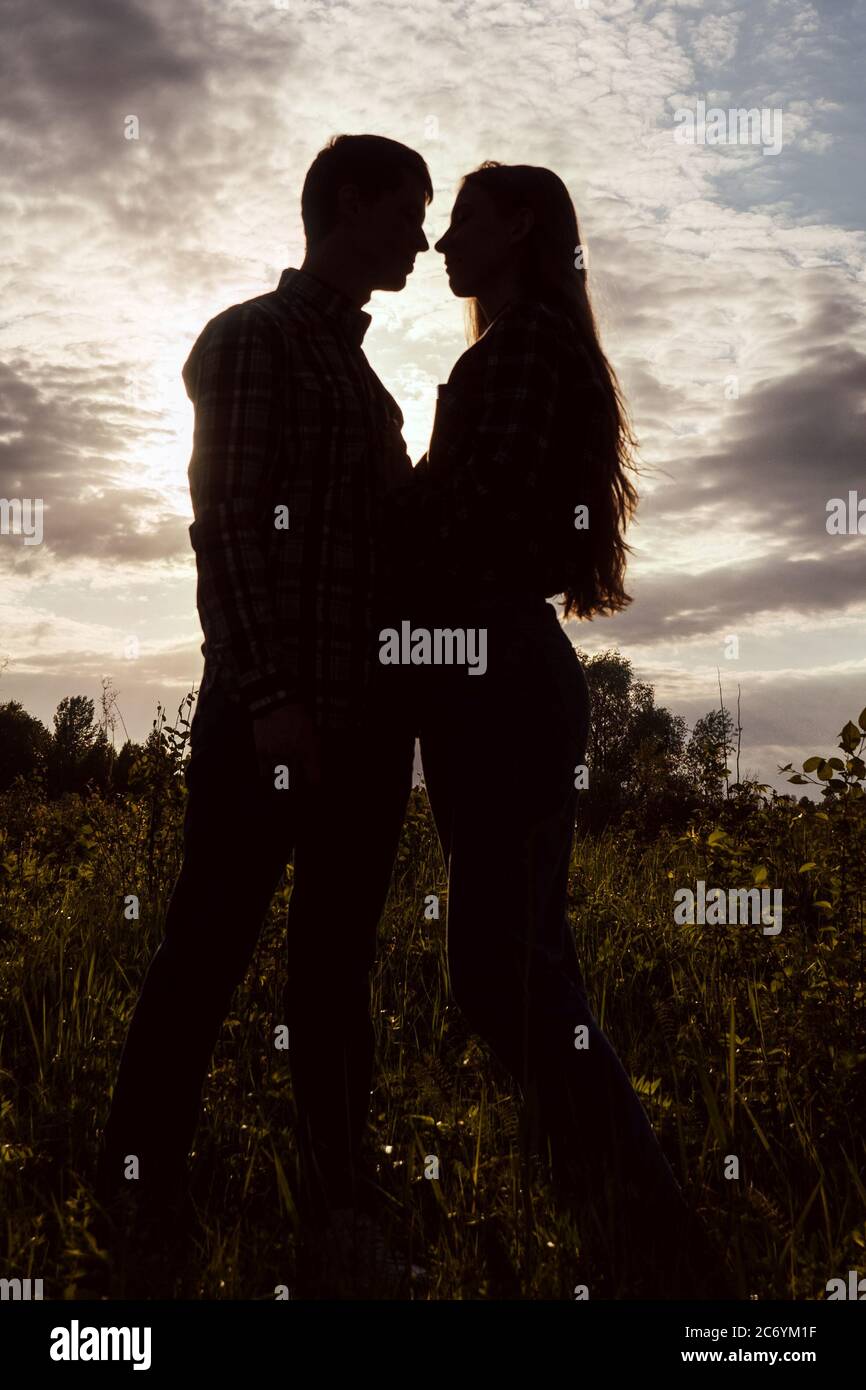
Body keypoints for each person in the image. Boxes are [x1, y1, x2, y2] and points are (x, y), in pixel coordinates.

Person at [378, 161, 736, 1299]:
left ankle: (652, 1233)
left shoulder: (521, 350)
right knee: (525, 967)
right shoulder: (514, 350)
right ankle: (622, 1231)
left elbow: (474, 514)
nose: (442, 242)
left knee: (500, 975)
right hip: (494, 673)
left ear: (521, 225)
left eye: (465, 221)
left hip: (496, 673)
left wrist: (379, 491)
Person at [95, 134, 431, 1296]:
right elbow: (227, 525)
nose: (420, 239)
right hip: (272, 723)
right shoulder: (251, 339)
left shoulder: (361, 377)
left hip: (366, 729)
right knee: (206, 953)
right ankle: (137, 1193)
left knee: (333, 972)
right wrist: (273, 698)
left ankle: (339, 1199)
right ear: (346, 203)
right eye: (404, 212)